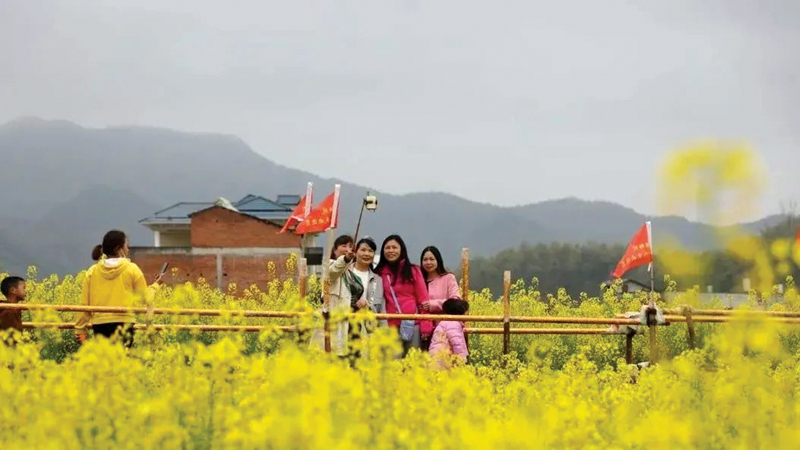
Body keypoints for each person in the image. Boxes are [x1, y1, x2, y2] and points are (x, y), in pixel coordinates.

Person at [75, 230, 162, 348]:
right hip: (125, 323)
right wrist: (156, 285)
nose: (128, 249)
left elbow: (84, 304)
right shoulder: (132, 269)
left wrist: (80, 330)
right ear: (119, 249)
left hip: (100, 324)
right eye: (126, 245)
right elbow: (144, 298)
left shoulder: (92, 271)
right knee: (122, 363)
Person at [374, 235, 431, 356]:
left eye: (394, 247)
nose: (391, 251)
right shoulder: (379, 273)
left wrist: (425, 323)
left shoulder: (413, 270)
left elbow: (423, 300)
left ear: (401, 250)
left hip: (413, 324)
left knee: (413, 365)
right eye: (387, 248)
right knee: (393, 365)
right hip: (391, 327)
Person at [428, 298, 469, 370]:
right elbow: (457, 344)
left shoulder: (447, 322)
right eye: (466, 312)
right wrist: (461, 360)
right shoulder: (453, 323)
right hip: (443, 360)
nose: (468, 314)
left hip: (438, 358)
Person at [0, 276, 26, 345]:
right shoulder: (9, 312)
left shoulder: (13, 310)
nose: (26, 291)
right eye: (23, 288)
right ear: (13, 290)